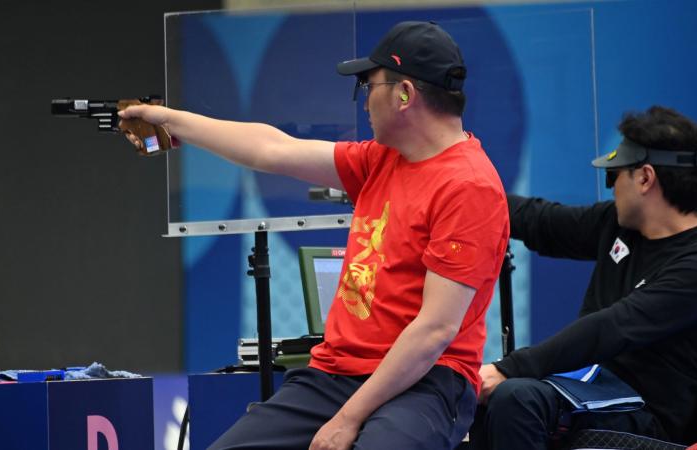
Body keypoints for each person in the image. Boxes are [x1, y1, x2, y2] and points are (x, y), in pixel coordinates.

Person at [121, 21, 509, 450]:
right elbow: (272, 148)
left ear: (404, 94)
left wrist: (348, 419)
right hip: (334, 375)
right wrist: (170, 120)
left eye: (368, 84)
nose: (363, 100)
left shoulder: (468, 186)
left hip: (426, 381)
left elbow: (434, 332)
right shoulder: (382, 159)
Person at [474, 106, 697, 448]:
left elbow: (613, 327)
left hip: (649, 418)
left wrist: (509, 367)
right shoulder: (617, 225)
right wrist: (465, 194)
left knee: (516, 397)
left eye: (614, 175)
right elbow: (540, 219)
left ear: (645, 178)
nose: (611, 186)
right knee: (486, 402)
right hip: (589, 390)